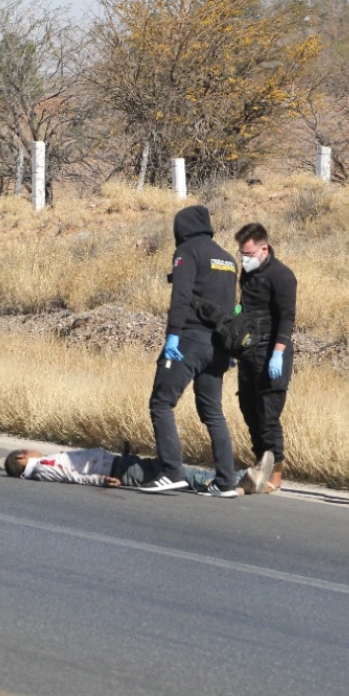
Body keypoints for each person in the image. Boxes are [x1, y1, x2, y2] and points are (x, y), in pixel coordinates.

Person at [145, 205, 241, 496]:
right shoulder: (227, 258)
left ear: (181, 228)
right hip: (220, 346)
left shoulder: (187, 251)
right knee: (213, 412)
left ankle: (172, 472)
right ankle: (226, 481)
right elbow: (231, 305)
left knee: (161, 404)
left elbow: (182, 296)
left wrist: (172, 335)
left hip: (189, 341)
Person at [234, 223, 297, 494]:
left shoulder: (282, 276)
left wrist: (278, 354)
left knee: (268, 415)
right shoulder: (247, 275)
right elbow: (245, 310)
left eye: (248, 254)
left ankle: (276, 471)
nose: (244, 259)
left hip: (273, 352)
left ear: (264, 248)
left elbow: (287, 317)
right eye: (241, 254)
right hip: (249, 351)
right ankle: (259, 463)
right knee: (249, 411)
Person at [3, 447, 274, 495]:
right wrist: (100, 480)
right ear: (22, 457)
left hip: (116, 464)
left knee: (173, 470)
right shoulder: (43, 466)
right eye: (29, 451)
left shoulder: (42, 466)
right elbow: (72, 475)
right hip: (116, 470)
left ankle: (241, 481)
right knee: (177, 473)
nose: (36, 452)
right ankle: (242, 480)